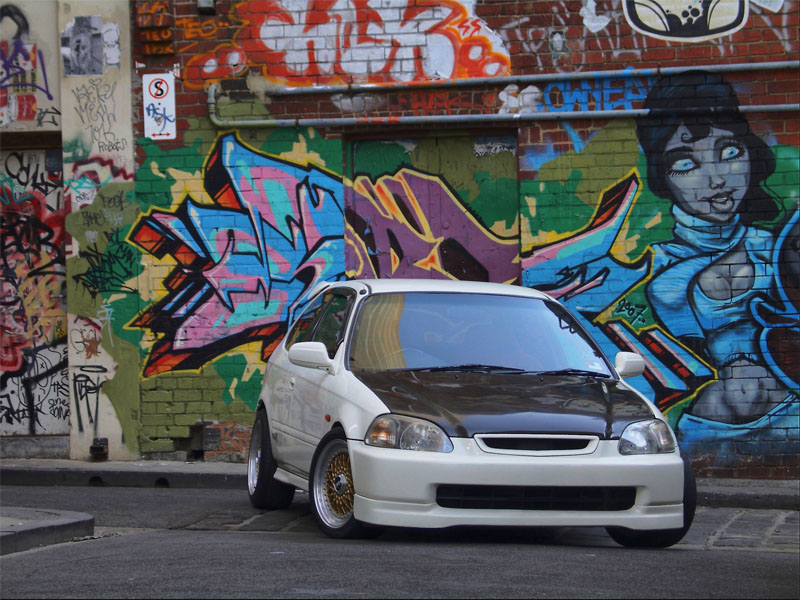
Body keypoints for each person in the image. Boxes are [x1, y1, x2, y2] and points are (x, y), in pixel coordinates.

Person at [636, 71, 798, 450]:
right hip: (706, 434)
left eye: (729, 152)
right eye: (687, 164)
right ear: (664, 178)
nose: (717, 179)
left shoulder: (771, 245)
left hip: (791, 415)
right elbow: (684, 298)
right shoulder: (662, 271)